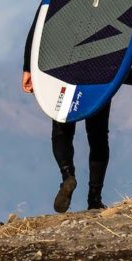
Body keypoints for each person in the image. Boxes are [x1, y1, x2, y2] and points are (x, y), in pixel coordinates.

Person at [21, 11, 110, 213]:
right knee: (98, 136)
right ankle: (94, 200)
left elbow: (37, 28)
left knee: (61, 130)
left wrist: (28, 68)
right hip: (100, 68)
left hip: (63, 67)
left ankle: (67, 175)